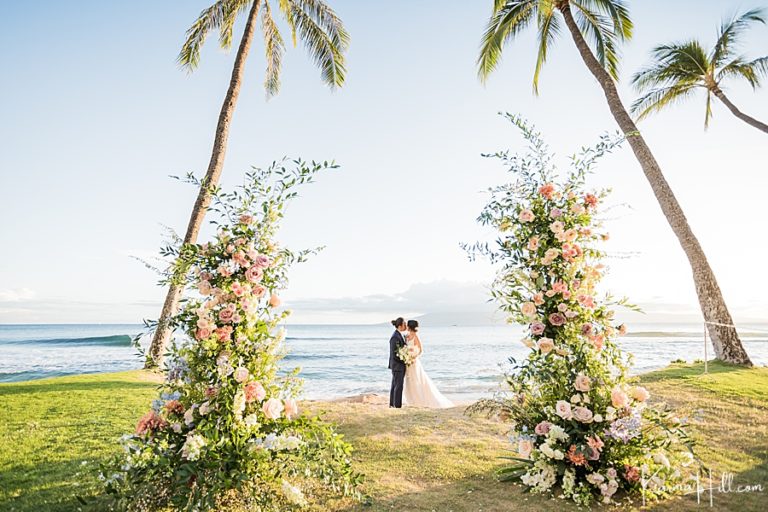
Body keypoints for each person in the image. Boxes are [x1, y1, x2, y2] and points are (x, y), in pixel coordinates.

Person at [402, 320, 453, 408]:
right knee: (409, 381)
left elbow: (420, 350)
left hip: (414, 362)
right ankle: (411, 400)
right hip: (407, 362)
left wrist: (413, 357)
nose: (406, 326)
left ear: (410, 327)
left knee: (417, 380)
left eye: (407, 325)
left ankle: (420, 400)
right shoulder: (406, 336)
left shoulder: (415, 337)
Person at [388, 317, 407, 408]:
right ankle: (397, 406)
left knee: (395, 385)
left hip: (398, 365)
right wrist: (405, 359)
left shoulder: (399, 335)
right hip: (397, 366)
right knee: (398, 386)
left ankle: (392, 404)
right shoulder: (395, 337)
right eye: (404, 324)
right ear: (400, 326)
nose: (405, 326)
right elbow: (395, 354)